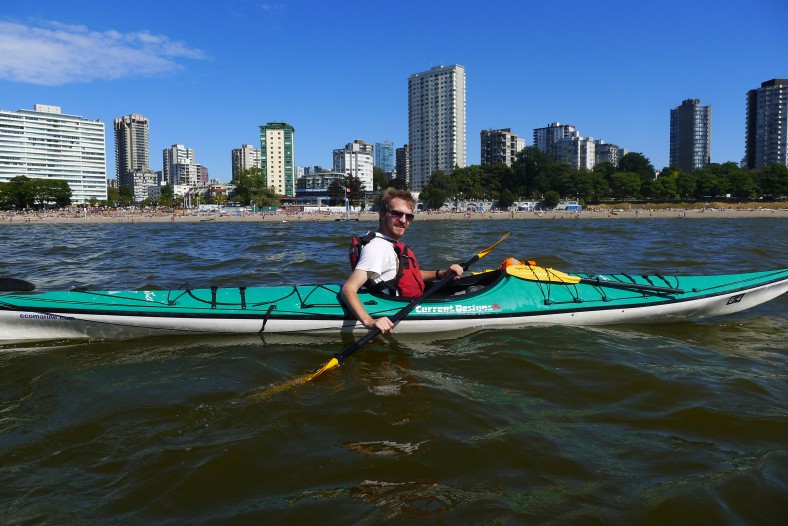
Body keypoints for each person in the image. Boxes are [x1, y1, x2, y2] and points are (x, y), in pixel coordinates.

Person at [340, 188, 464, 334]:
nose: (403, 220)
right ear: (382, 214)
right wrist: (369, 321)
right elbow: (348, 289)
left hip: (413, 299)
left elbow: (406, 274)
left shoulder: (389, 243)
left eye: (408, 216)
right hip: (398, 306)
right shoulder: (377, 248)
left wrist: (442, 274)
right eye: (396, 214)